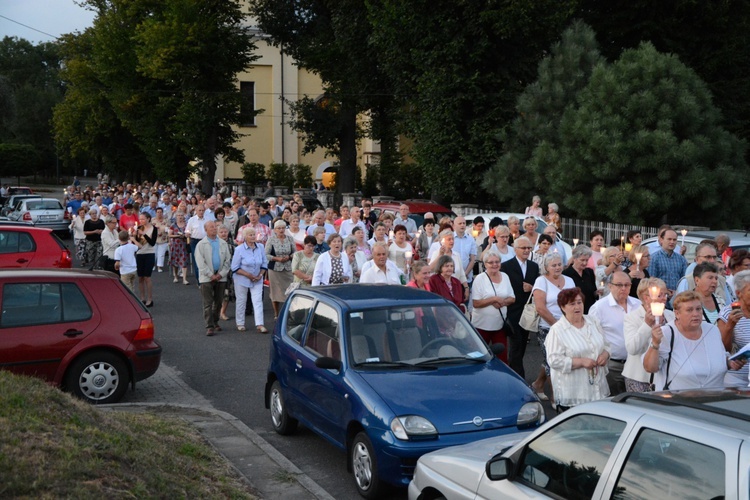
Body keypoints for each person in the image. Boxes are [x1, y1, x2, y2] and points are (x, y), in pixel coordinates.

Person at [644, 291, 746, 390]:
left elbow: (720, 357)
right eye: (689, 310)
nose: (696, 314)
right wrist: (655, 344)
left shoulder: (712, 330)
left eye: (698, 309)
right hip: (678, 402)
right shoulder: (666, 333)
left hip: (714, 400)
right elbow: (650, 368)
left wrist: (730, 363)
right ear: (677, 313)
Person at [545, 287, 610, 411]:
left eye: (579, 302)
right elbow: (554, 360)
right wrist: (581, 362)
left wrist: (605, 355)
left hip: (598, 391)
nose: (577, 307)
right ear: (563, 308)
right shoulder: (557, 330)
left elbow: (606, 345)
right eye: (572, 304)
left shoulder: (593, 321)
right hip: (574, 396)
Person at [531, 253, 576, 403]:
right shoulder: (541, 281)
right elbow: (540, 308)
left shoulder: (569, 280)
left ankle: (538, 384)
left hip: (568, 326)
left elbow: (575, 302)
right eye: (553, 265)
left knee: (557, 358)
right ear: (546, 267)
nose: (557, 267)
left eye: (559, 264)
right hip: (548, 327)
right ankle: (556, 397)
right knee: (552, 362)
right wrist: (558, 326)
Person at [588, 271, 641, 397]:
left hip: (636, 364)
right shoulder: (599, 308)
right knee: (614, 400)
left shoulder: (638, 305)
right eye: (619, 285)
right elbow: (591, 337)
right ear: (609, 286)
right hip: (613, 365)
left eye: (627, 285)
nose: (623, 288)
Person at [623, 278, 674, 392]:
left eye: (665, 295)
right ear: (646, 298)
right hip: (640, 378)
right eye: (659, 295)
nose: (664, 299)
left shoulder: (671, 316)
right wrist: (646, 325)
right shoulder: (632, 317)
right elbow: (632, 348)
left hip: (666, 376)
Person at [503, 236, 540, 377]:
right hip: (512, 310)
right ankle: (518, 376)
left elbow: (538, 285)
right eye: (523, 248)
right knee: (516, 346)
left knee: (522, 345)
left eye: (529, 248)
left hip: (528, 312)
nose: (526, 250)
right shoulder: (506, 266)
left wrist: (531, 288)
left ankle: (515, 374)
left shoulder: (533, 266)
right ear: (515, 249)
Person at [470, 252, 515, 362]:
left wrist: (502, 302)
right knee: (479, 357)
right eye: (491, 262)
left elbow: (512, 298)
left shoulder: (505, 276)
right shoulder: (480, 279)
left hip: (499, 325)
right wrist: (493, 299)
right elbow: (476, 303)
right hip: (481, 326)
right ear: (485, 264)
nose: (494, 264)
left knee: (502, 357)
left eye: (497, 262)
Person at [195, 221, 232, 336]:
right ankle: (209, 326)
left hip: (220, 276)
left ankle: (215, 321)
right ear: (206, 230)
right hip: (206, 277)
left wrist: (221, 274)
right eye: (211, 227)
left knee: (219, 301)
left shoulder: (223, 243)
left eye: (215, 227)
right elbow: (200, 263)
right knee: (207, 303)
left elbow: (227, 260)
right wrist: (210, 275)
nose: (214, 229)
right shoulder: (201, 244)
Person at [232, 227, 268, 333]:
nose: (253, 236)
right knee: (241, 301)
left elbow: (264, 263)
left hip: (257, 279)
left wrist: (260, 275)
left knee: (257, 301)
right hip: (242, 279)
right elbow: (234, 267)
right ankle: (240, 323)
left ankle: (260, 324)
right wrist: (248, 275)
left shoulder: (260, 247)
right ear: (245, 237)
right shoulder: (239, 249)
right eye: (250, 235)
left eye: (254, 234)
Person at [718, 270, 750, 386]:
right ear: (739, 293)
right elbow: (723, 348)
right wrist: (730, 326)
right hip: (736, 377)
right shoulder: (728, 312)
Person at [266, 220, 295, 320]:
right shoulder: (271, 240)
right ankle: (276, 314)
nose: (281, 230)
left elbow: (295, 253)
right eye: (279, 228)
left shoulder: (290, 239)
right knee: (275, 291)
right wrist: (277, 258)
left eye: (283, 228)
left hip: (288, 267)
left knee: (291, 290)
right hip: (275, 269)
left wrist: (289, 257)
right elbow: (266, 255)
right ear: (275, 230)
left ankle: (289, 312)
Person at [649, 228, 688, 296]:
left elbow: (684, 280)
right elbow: (652, 281)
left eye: (674, 240)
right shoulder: (654, 258)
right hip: (660, 297)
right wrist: (665, 291)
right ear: (661, 240)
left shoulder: (681, 259)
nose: (672, 242)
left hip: (678, 297)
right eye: (669, 239)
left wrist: (677, 292)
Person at [562, 244, 597, 313]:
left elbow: (593, 291)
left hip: (590, 310)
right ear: (574, 259)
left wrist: (597, 293)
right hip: (575, 311)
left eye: (587, 260)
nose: (585, 263)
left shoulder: (589, 272)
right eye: (582, 260)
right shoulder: (566, 274)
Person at [134, 213, 158, 307]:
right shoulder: (139, 227)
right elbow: (137, 241)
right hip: (140, 253)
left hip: (150, 253)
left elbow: (152, 243)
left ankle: (150, 299)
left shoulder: (154, 229)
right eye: (140, 219)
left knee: (147, 277)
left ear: (148, 219)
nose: (141, 221)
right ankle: (142, 298)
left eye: (143, 219)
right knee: (140, 277)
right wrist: (134, 235)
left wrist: (144, 234)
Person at [452, 216, 477, 284]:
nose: (462, 225)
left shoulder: (470, 239)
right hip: (452, 277)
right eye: (460, 223)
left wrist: (465, 274)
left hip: (467, 277)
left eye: (464, 223)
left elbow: (472, 259)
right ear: (454, 226)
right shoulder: (450, 238)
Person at [169, 212, 190, 285]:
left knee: (184, 260)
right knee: (175, 261)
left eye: (181, 215)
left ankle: (184, 279)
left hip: (183, 245)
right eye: (178, 215)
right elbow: (170, 235)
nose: (180, 217)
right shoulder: (173, 225)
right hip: (175, 245)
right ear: (176, 217)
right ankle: (175, 276)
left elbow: (189, 233)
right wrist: (177, 236)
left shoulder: (187, 225)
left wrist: (185, 235)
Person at [152, 207, 170, 272]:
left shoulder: (166, 220)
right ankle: (153, 265)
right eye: (158, 212)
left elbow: (168, 228)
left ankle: (159, 266)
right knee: (154, 253)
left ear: (162, 213)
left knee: (161, 254)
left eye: (160, 212)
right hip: (154, 239)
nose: (159, 213)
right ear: (156, 213)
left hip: (163, 239)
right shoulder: (153, 220)